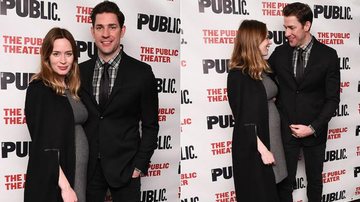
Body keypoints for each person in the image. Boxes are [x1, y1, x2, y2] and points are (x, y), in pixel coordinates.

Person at [79, 1, 159, 201]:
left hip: (126, 169)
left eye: (112, 27)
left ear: (122, 31)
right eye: (100, 27)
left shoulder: (142, 73)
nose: (105, 34)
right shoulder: (79, 72)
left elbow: (151, 125)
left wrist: (140, 165)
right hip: (88, 171)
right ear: (92, 31)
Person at [268, 2, 340, 202]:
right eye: (285, 27)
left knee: (315, 182)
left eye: (292, 28)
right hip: (286, 130)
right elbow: (263, 77)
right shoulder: (280, 53)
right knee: (285, 183)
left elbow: (333, 99)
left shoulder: (328, 55)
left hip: (314, 131)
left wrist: (313, 127)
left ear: (306, 26)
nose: (287, 33)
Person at [24, 27, 88, 202]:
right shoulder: (39, 89)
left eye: (68, 54)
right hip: (55, 182)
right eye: (56, 54)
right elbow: (43, 146)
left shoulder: (72, 88)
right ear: (47, 57)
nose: (63, 60)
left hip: (77, 175)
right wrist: (65, 187)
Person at [227, 19, 287, 202]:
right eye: (265, 37)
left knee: (278, 191)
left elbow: (265, 99)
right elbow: (243, 120)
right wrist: (263, 151)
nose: (269, 41)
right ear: (254, 41)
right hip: (256, 148)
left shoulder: (261, 70)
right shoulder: (238, 75)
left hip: (273, 141)